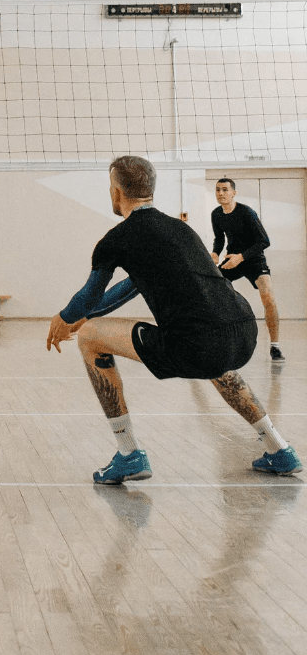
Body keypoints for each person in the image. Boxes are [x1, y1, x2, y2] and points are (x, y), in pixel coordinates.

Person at [46, 155, 300, 483]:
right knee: (213, 353)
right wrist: (82, 314)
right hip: (243, 331)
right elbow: (129, 287)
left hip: (197, 344)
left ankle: (128, 454)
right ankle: (280, 449)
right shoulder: (180, 230)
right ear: (151, 190)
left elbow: (91, 295)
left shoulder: (116, 239)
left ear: (115, 193)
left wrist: (66, 317)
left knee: (90, 336)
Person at [211, 177, 283, 361]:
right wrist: (215, 253)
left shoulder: (247, 213)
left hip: (253, 258)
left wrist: (241, 257)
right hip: (231, 258)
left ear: (233, 193)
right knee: (210, 291)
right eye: (218, 190)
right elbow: (219, 239)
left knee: (268, 297)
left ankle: (275, 347)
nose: (221, 193)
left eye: (225, 190)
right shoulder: (216, 214)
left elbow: (264, 241)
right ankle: (212, 340)